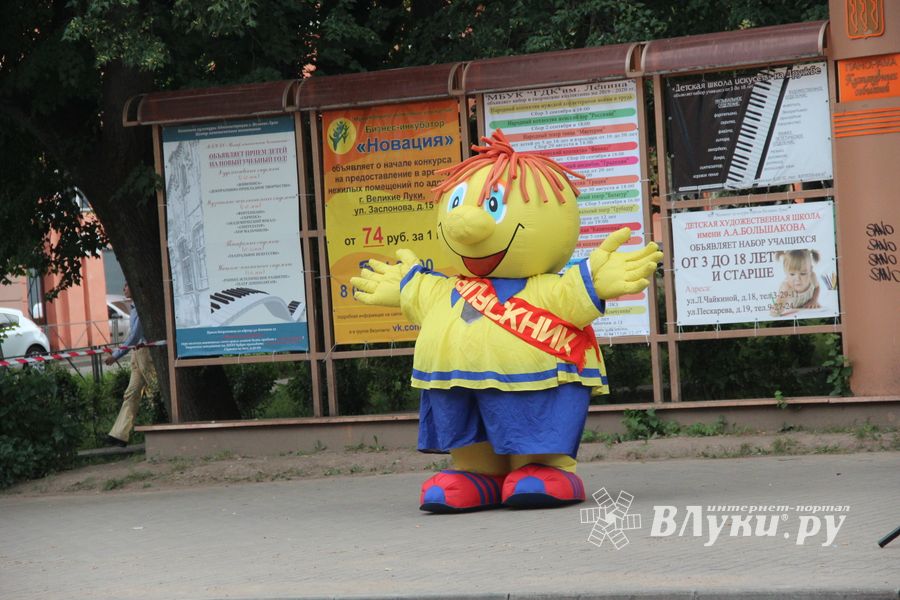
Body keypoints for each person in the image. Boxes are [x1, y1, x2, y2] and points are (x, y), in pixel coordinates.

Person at [104, 283, 157, 447]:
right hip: (136, 353)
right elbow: (132, 337)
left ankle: (161, 421)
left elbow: (134, 336)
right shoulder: (133, 308)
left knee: (154, 390)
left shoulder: (140, 308)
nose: (124, 289)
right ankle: (119, 434)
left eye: (127, 286)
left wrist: (116, 355)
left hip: (145, 353)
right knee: (131, 393)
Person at [769, 249, 821, 317]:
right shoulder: (786, 287)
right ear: (785, 272)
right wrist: (777, 309)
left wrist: (813, 300)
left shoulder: (812, 276)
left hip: (807, 311)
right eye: (792, 274)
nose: (797, 279)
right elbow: (780, 302)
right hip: (794, 313)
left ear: (810, 269)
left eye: (803, 273)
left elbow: (817, 287)